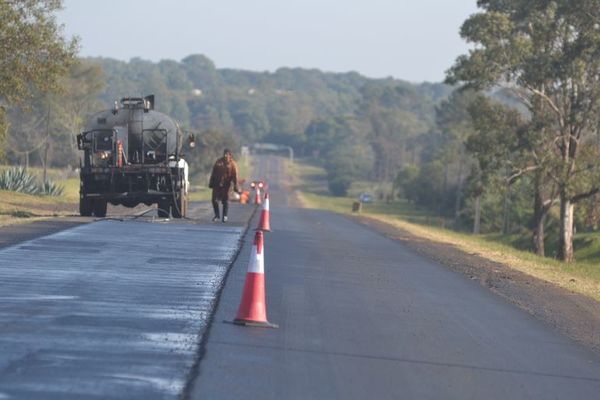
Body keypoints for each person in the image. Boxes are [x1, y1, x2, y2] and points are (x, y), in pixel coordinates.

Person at [208, 148, 240, 222]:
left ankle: (225, 216)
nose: (225, 155)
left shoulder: (233, 164)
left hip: (227, 185)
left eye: (227, 154)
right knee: (214, 200)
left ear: (230, 155)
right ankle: (217, 215)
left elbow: (235, 176)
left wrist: (236, 185)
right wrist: (211, 181)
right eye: (224, 153)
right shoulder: (219, 162)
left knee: (225, 200)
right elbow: (213, 172)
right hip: (217, 184)